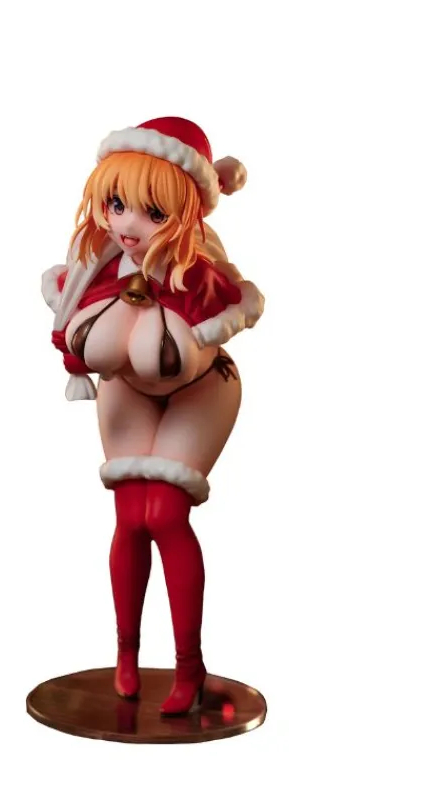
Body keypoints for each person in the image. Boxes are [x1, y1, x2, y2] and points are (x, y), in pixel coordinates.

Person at [41, 117, 265, 715]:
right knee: (130, 518)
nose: (127, 225)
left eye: (153, 212)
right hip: (127, 389)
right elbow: (72, 322)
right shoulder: (95, 263)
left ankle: (190, 668)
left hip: (201, 390)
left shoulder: (200, 266)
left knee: (164, 513)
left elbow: (231, 312)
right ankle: (127, 656)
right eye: (116, 204)